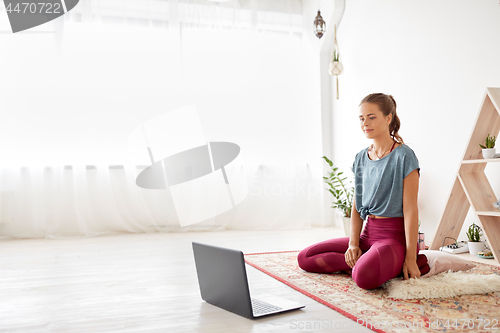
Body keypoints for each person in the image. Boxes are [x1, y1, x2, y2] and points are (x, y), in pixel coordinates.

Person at [297, 93, 429, 290]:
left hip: (394, 238)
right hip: (367, 236)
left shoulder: (404, 156)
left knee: (363, 278)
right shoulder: (360, 158)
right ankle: (371, 263)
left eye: (372, 117)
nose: (365, 123)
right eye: (361, 118)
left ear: (388, 118)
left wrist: (410, 258)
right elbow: (357, 205)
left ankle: (403, 262)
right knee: (305, 258)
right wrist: (353, 245)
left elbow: (410, 209)